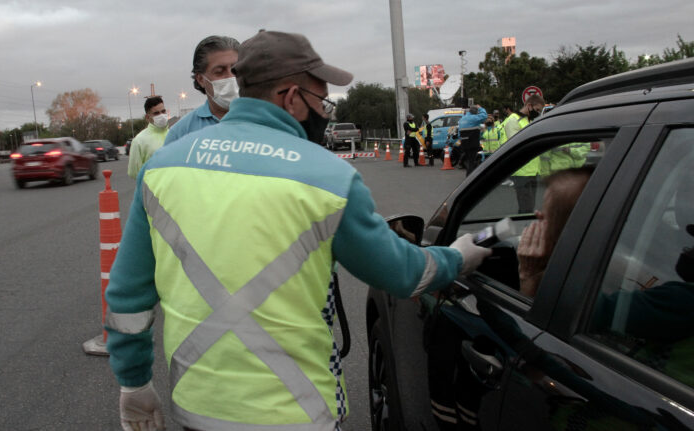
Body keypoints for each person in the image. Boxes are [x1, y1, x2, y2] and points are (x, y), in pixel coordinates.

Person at [105, 29, 492, 431]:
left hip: (198, 411)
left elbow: (127, 296)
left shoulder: (163, 167)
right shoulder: (329, 176)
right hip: (298, 413)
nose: (325, 112)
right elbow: (404, 273)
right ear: (290, 97)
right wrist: (460, 255)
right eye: (321, 100)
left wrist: (133, 383)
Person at [517, 166, 593, 296]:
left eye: (546, 215)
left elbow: (531, 315)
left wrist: (528, 275)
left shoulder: (573, 285)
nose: (538, 215)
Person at [164, 35, 240, 146]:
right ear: (200, 79)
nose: (230, 77)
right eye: (219, 71)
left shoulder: (265, 122)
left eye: (235, 69)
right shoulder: (181, 133)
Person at [127, 96, 169, 179]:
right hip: (152, 189)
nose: (162, 115)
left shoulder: (175, 135)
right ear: (147, 117)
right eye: (156, 113)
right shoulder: (139, 140)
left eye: (163, 111)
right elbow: (134, 172)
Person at [457, 104, 487, 175]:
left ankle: (469, 174)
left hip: (464, 144)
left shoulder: (462, 119)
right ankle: (470, 177)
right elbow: (484, 116)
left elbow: (459, 134)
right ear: (475, 112)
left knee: (469, 160)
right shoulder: (473, 118)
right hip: (472, 143)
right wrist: (480, 108)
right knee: (472, 161)